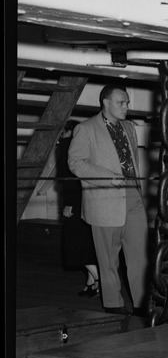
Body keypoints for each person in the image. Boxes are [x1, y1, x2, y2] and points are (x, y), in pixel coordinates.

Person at [68, 84, 149, 315]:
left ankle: (142, 303)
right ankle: (113, 304)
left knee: (139, 255)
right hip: (104, 201)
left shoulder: (129, 128)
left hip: (133, 197)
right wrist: (106, 176)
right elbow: (75, 163)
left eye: (127, 103)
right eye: (121, 103)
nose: (126, 107)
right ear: (105, 102)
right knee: (108, 259)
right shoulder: (86, 129)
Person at [56, 121, 100, 298]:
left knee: (74, 246)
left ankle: (99, 278)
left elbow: (67, 178)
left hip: (74, 203)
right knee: (86, 243)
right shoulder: (84, 146)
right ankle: (91, 284)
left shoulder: (66, 146)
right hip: (88, 201)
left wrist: (68, 203)